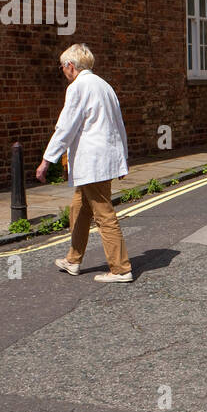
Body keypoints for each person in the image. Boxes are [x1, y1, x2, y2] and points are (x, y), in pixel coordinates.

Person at [36, 43, 134, 283]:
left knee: (104, 214)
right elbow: (118, 125)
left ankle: (121, 269)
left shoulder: (78, 87)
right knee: (79, 209)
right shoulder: (104, 85)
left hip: (93, 163)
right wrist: (122, 159)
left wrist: (47, 160)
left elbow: (65, 127)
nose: (63, 72)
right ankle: (73, 260)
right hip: (103, 161)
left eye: (62, 67)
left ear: (70, 66)